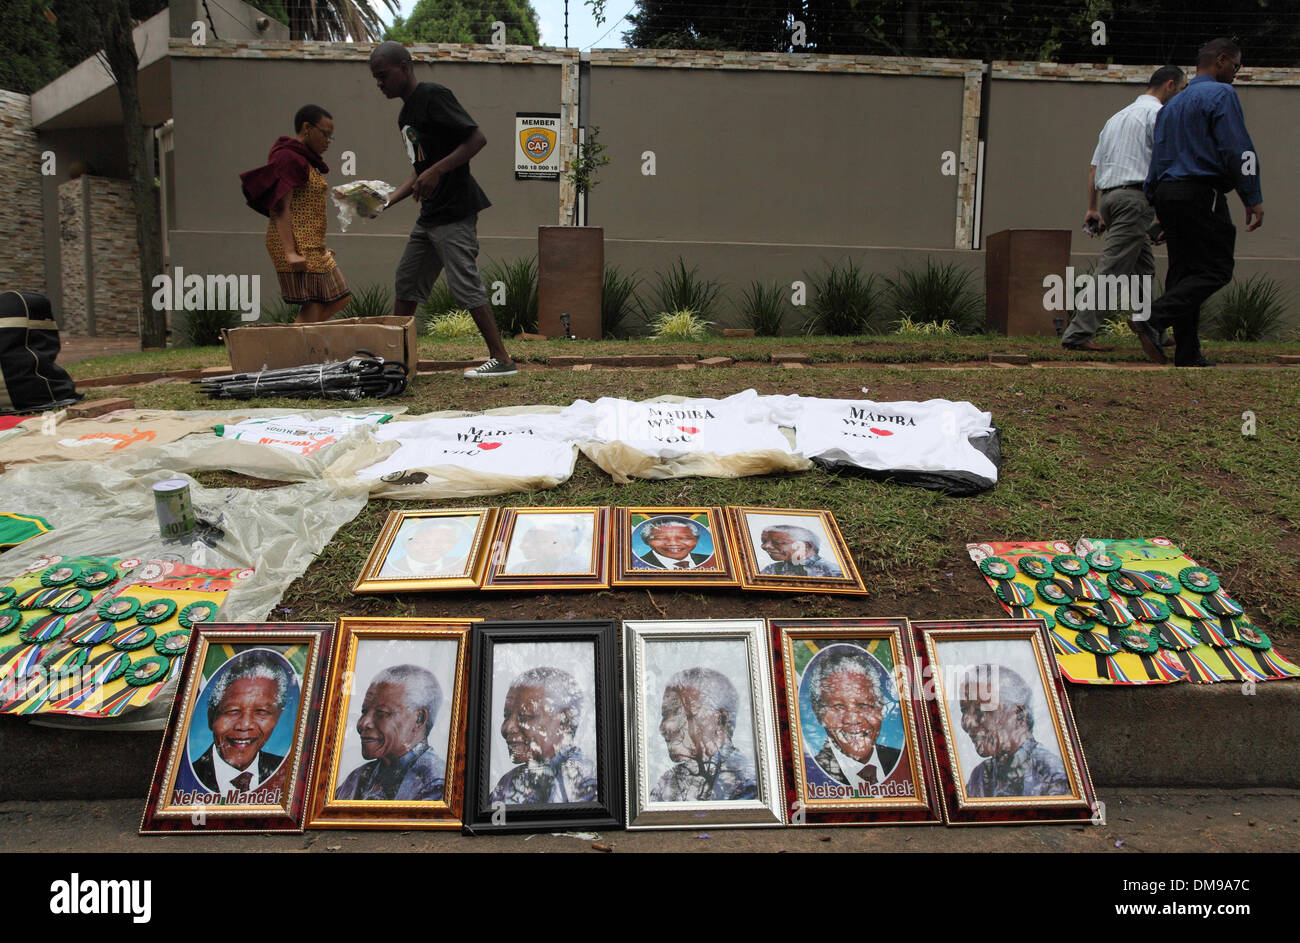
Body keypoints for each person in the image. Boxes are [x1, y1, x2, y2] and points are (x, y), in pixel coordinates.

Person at [368, 41, 517, 378]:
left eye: (383, 75)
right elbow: (420, 170)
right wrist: (386, 202)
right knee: (407, 282)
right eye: (375, 78)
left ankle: (502, 359)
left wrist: (438, 170)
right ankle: (398, 361)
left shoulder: (434, 96)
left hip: (455, 209)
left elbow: (477, 139)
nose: (379, 83)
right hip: (430, 215)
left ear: (405, 68)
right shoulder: (405, 116)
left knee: (464, 284)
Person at [1136, 37, 1263, 368]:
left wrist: (1160, 210)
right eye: (1236, 66)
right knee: (1216, 269)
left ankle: (1188, 353)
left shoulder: (1172, 105)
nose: (1236, 73)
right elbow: (1239, 149)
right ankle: (1152, 318)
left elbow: (1158, 159)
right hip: (1200, 192)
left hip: (1167, 192)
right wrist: (1251, 195)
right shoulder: (1221, 94)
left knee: (1183, 273)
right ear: (1221, 61)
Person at [1068, 66, 1186, 352]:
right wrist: (1164, 213)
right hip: (1135, 200)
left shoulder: (1115, 119)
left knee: (1143, 270)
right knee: (1112, 269)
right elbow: (1164, 162)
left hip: (1110, 199)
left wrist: (1092, 208)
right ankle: (1078, 333)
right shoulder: (1157, 115)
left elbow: (1094, 167)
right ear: (1170, 85)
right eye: (1182, 89)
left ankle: (1153, 330)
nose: (1182, 96)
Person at [239, 104, 351, 324]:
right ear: (307, 127)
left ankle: (300, 341)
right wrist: (291, 252)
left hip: (309, 244)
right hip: (294, 244)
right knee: (316, 302)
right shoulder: (288, 158)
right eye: (325, 134)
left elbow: (304, 207)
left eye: (331, 137)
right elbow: (281, 207)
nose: (328, 140)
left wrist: (318, 246)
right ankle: (294, 346)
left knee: (339, 298)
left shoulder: (305, 160)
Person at [335, 665, 446, 801]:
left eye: (382, 713)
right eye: (364, 712)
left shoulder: (436, 785)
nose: (363, 723)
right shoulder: (357, 778)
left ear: (419, 718)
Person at [957, 665, 1070, 798]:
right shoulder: (981, 776)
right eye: (964, 710)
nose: (967, 723)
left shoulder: (1052, 776)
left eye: (981, 709)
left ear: (1019, 715)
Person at [490, 667, 597, 804]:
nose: (506, 728)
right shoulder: (508, 783)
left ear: (564, 721)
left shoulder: (585, 784)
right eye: (506, 716)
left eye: (525, 716)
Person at [191, 651, 290, 795]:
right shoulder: (188, 777)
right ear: (211, 716)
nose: (244, 725)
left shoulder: (289, 772)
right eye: (232, 711)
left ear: (277, 717)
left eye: (261, 711)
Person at [651, 667, 757, 802]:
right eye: (665, 714)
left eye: (682, 714)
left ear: (720, 720)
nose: (665, 726)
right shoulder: (668, 783)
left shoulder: (748, 785)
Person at [806, 648, 900, 789]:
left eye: (864, 705)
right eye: (838, 707)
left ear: (880, 708)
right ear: (819, 712)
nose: (853, 719)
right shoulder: (811, 773)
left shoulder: (900, 761)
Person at [378, 520, 470, 578]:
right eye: (421, 541)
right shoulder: (387, 569)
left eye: (440, 542)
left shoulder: (462, 564)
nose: (431, 547)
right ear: (405, 543)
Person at [505, 521, 591, 575]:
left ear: (566, 544)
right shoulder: (520, 569)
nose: (523, 546)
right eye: (524, 541)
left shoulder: (583, 568)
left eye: (540, 541)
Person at [757, 524, 842, 577]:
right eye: (764, 541)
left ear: (807, 546)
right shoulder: (772, 569)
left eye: (778, 542)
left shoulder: (832, 572)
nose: (764, 546)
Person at [632, 519, 716, 570]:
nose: (673, 543)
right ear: (646, 541)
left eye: (683, 538)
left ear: (696, 540)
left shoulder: (709, 560)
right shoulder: (636, 565)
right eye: (661, 538)